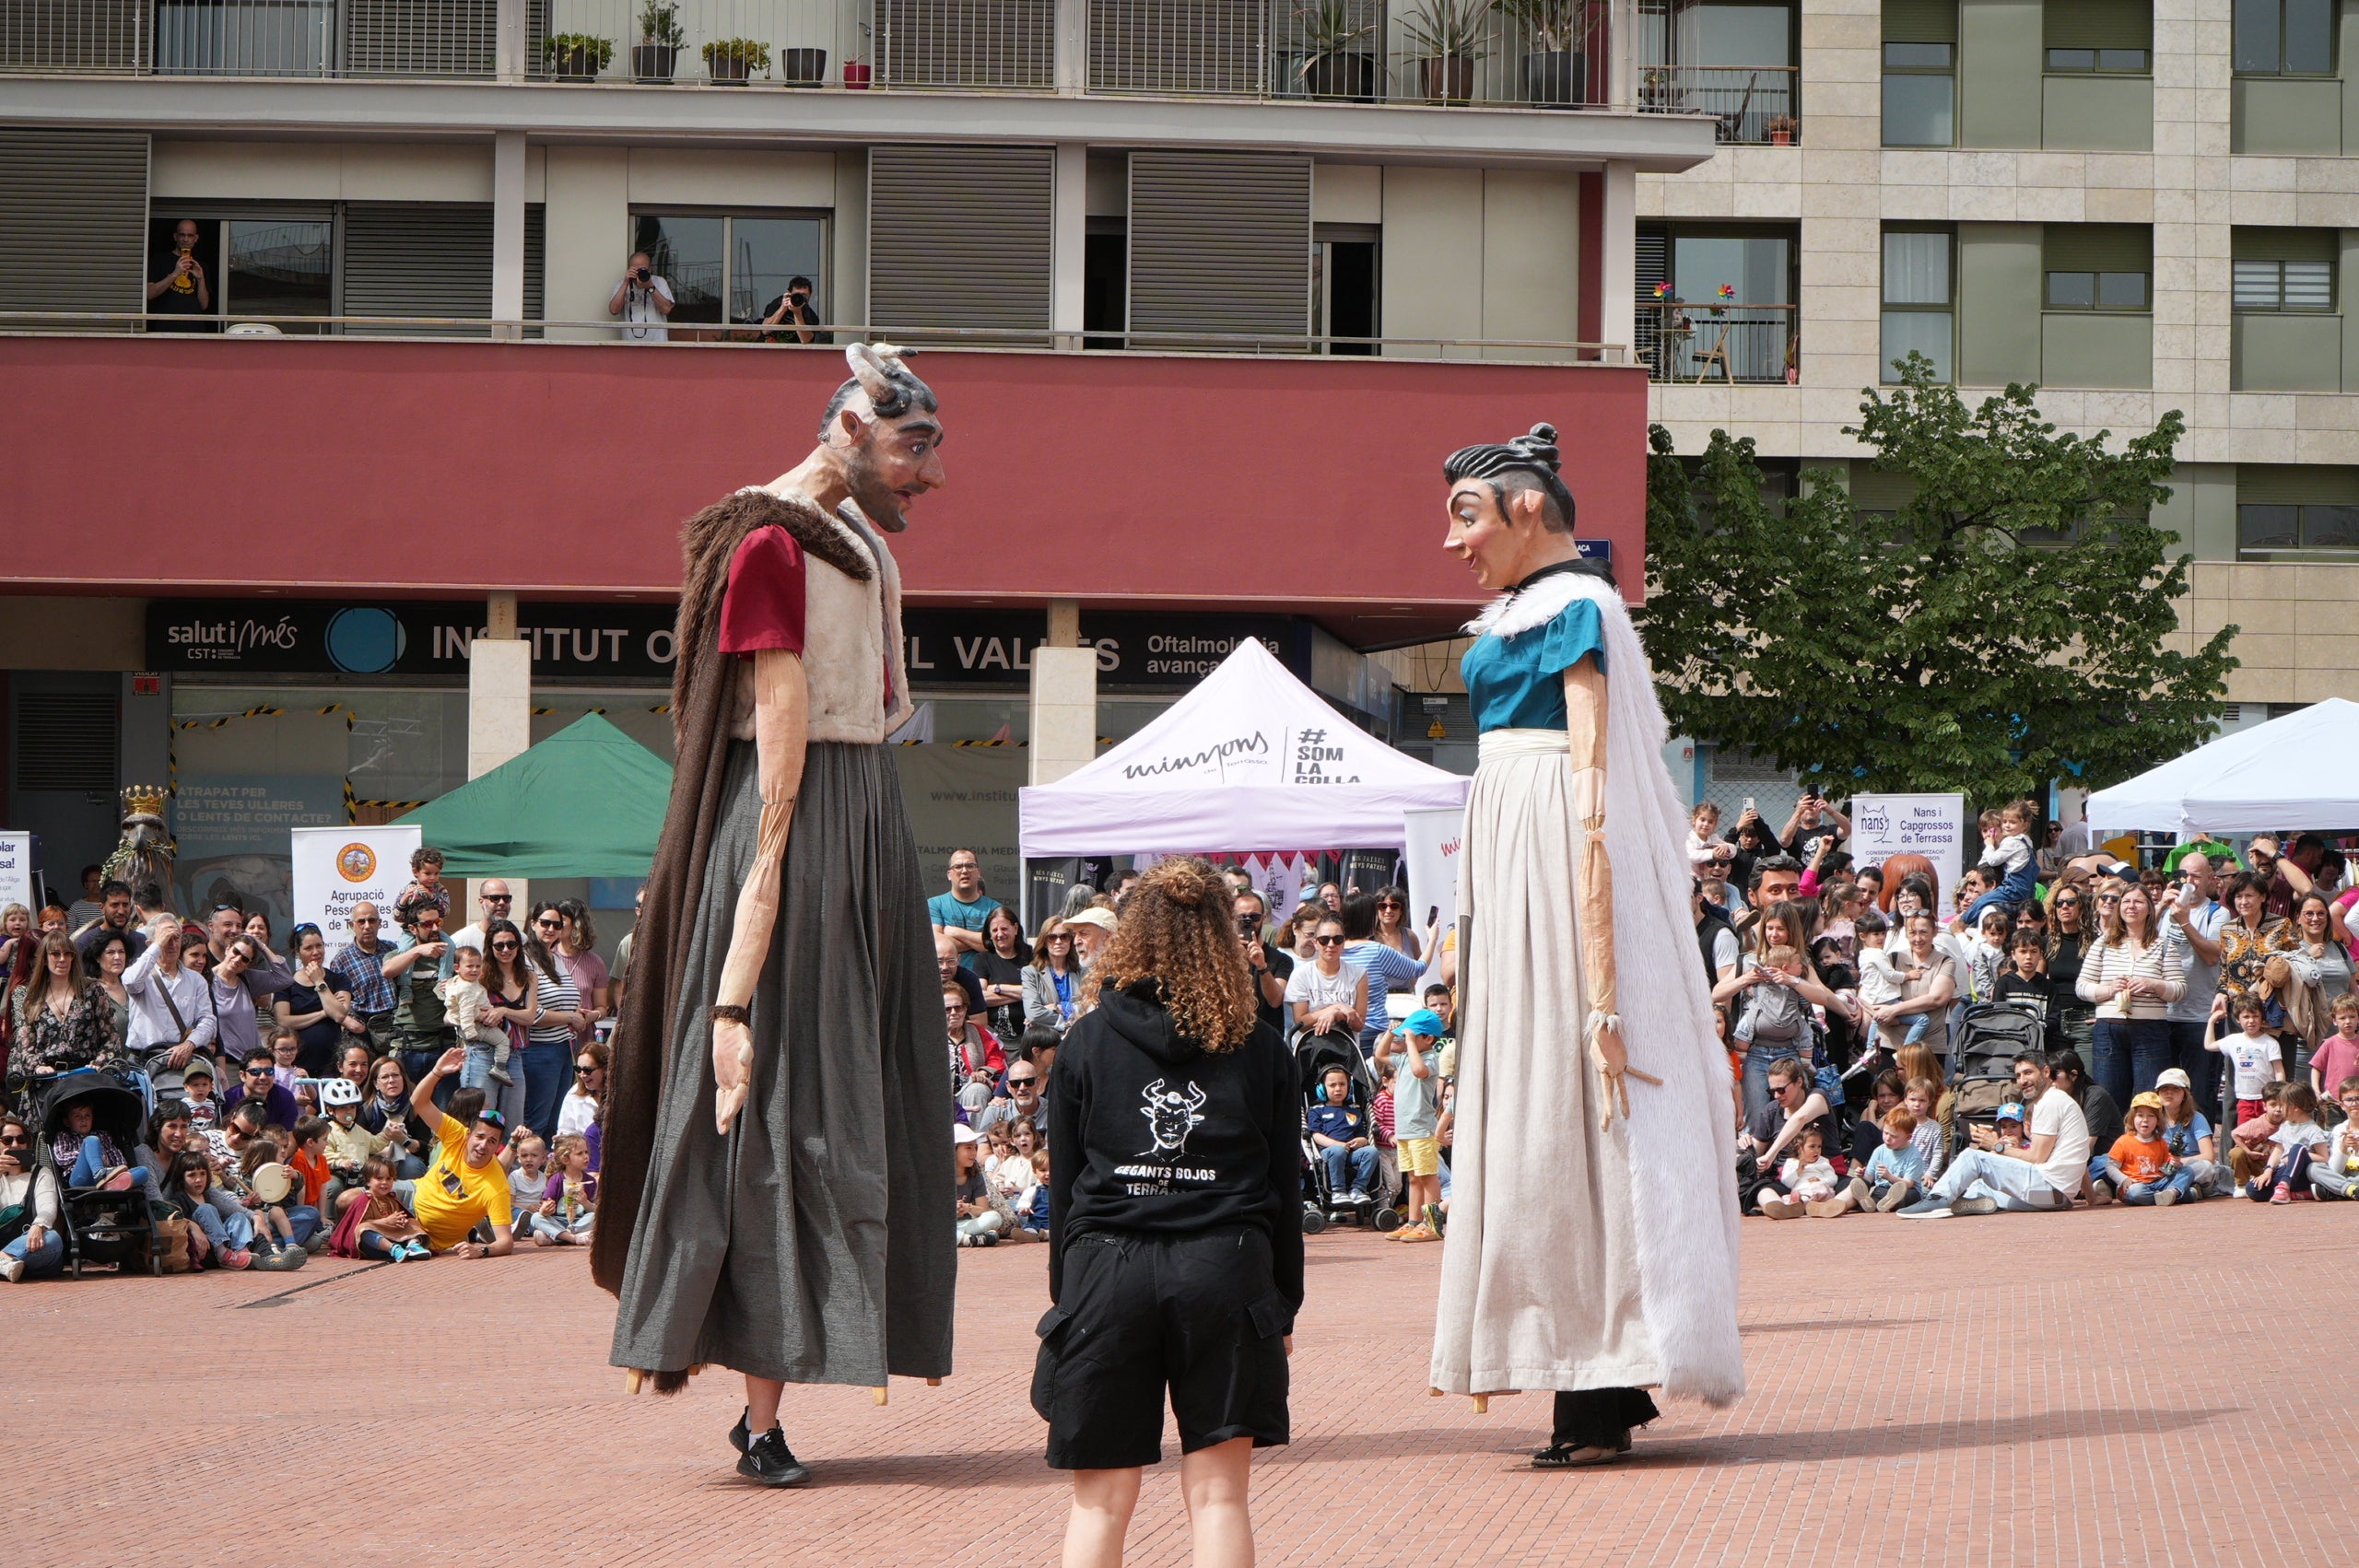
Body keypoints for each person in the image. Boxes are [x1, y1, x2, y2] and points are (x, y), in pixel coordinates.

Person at [597, 345, 955, 1491]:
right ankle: (758, 1409)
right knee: (782, 1110)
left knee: (846, 1098)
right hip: (801, 835)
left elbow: (871, 714)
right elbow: (780, 757)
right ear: (850, 429)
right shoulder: (772, 542)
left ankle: (769, 1399)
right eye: (915, 448)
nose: (930, 475)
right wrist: (734, 989)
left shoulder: (843, 542)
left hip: (862, 821)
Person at [1430, 424, 1743, 1468]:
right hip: (1516, 851)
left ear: (1526, 509)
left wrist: (1604, 971)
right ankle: (1591, 1375)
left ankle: (1600, 1376)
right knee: (1535, 1117)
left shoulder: (1576, 606)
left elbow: (1595, 787)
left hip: (1555, 858)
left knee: (1573, 1118)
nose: (1450, 541)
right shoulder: (1532, 606)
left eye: (1465, 515)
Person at [1033, 859, 1297, 1567]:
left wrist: (1070, 1294)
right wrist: (1284, 1304)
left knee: (1100, 1500)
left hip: (1107, 1268)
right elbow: (1284, 1191)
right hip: (1226, 1265)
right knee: (1219, 1498)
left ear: (1132, 938)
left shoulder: (1086, 1042)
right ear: (1223, 938)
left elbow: (1065, 1189)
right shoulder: (1260, 1047)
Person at [1898, 1051, 2090, 1217]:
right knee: (1980, 1186)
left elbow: (2037, 1157)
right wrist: (2092, 1197)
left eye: (2028, 1072)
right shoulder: (2056, 1100)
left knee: (1972, 1157)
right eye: (2018, 1075)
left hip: (2047, 1190)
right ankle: (1970, 1199)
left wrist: (1996, 1146)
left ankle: (1937, 1199)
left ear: (2046, 1072)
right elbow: (2079, 1154)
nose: (2023, 1080)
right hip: (2057, 1198)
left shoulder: (2051, 1102)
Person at [401, 1047, 516, 1256]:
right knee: (350, 1199)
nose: (483, 1145)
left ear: (497, 1146)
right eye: (480, 1137)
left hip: (430, 1234)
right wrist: (438, 1071)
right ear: (468, 1135)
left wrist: (481, 1251)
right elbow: (418, 1102)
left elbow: (506, 1242)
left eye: (492, 1141)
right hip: (412, 1195)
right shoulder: (456, 1134)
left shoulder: (496, 1186)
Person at [2078, 883, 2180, 1108]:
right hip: (2109, 1030)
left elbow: (2179, 990)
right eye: (2126, 901)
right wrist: (2109, 989)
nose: (2131, 906)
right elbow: (2082, 987)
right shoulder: (2103, 944)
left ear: (2149, 909)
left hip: (2150, 1031)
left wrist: (2153, 984)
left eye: (2138, 901)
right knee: (2109, 1100)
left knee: (2149, 1101)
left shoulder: (2163, 946)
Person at [519, 905, 592, 1141]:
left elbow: (562, 999)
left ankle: (550, 1175)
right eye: (545, 923)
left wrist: (577, 1013)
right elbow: (531, 1012)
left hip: (563, 1048)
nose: (551, 929)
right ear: (532, 924)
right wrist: (570, 1017)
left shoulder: (555, 957)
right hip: (538, 1051)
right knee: (536, 1122)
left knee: (556, 1122)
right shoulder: (525, 959)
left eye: (557, 925)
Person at [123, 913, 216, 1096]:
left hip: (182, 1060)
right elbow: (131, 982)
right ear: (151, 944)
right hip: (144, 1059)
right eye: (166, 939)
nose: (172, 944)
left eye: (176, 938)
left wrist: (190, 1044)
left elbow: (208, 1020)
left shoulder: (196, 980)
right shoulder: (142, 973)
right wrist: (157, 946)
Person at [12, 931, 126, 1079]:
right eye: (55, 954)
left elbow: (111, 1036)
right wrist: (37, 1066)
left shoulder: (92, 990)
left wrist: (99, 1063)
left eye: (67, 954)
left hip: (87, 1076)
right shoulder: (33, 996)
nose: (62, 959)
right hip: (47, 1079)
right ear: (45, 959)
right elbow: (25, 1043)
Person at [1377, 1010, 1447, 1240]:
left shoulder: (1429, 1059)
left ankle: (1432, 1225)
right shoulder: (1405, 1058)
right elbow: (1380, 1054)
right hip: (1405, 1130)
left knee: (1428, 1177)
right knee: (1413, 1177)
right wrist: (1391, 1033)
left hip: (1422, 1130)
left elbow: (1419, 1071)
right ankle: (1414, 1221)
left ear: (1428, 1039)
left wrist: (1408, 1042)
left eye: (1413, 1035)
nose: (1405, 1040)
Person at [270, 923, 355, 1079]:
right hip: (298, 1066)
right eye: (308, 948)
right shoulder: (287, 985)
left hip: (332, 1064)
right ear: (298, 952)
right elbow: (283, 1021)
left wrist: (319, 982)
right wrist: (324, 1012)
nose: (316, 952)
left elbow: (339, 1015)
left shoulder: (339, 979)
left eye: (319, 946)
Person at [439, 942, 513, 1090]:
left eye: (478, 966)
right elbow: (466, 1013)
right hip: (475, 1028)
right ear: (457, 968)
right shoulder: (467, 989)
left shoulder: (461, 983)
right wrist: (470, 1032)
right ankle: (499, 1067)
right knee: (503, 1041)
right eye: (470, 966)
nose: (474, 970)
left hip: (473, 1027)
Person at [2210, 991, 2289, 1127]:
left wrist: (2278, 1095)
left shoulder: (2270, 1043)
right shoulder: (2234, 1040)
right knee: (2247, 1135)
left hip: (2266, 1099)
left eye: (2255, 1016)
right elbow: (2209, 1045)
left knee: (2269, 1135)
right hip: (2245, 1099)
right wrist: (2211, 1021)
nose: (2251, 1021)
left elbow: (2279, 1071)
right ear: (2237, 1019)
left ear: (2261, 1018)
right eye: (2246, 1017)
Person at [329, 903, 399, 1052]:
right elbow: (334, 1003)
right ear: (351, 925)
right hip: (363, 1032)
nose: (367, 926)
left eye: (372, 920)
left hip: (395, 1028)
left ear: (380, 923)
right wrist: (348, 1022)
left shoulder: (392, 949)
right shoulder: (341, 960)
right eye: (361, 921)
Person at [1306, 1063, 1378, 1204]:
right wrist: (1338, 1144)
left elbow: (1361, 1134)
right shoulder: (1317, 1111)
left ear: (1349, 1087)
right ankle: (1338, 1191)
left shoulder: (1354, 1111)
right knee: (1338, 1150)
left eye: (1342, 1084)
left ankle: (1358, 1189)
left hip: (1351, 1153)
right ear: (1322, 1089)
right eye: (1332, 1085)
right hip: (1327, 1153)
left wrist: (1362, 1141)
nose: (1338, 1088)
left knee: (1372, 1151)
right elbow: (1315, 1135)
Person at [2249, 1081, 2329, 1202]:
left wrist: (2296, 1155)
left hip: (2303, 1174)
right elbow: (2278, 1150)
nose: (2280, 1109)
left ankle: (2285, 1187)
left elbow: (2324, 1158)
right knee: (2253, 1189)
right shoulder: (2286, 1125)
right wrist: (2268, 1170)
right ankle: (2300, 1194)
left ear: (2295, 1108)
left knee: (2297, 1148)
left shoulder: (2313, 1129)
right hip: (2284, 1170)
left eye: (2282, 1105)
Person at [2109, 1092, 2194, 1206]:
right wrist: (2123, 1180)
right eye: (2140, 1115)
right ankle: (2178, 1195)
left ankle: (2172, 1192)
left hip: (2159, 1182)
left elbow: (2166, 1170)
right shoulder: (2124, 1141)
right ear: (2132, 1118)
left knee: (2187, 1171)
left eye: (2151, 1116)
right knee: (2136, 1192)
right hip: (2135, 1184)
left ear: (2158, 1120)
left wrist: (2175, 1163)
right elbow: (2110, 1166)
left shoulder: (2161, 1142)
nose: (2145, 1120)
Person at [2152, 1067, 2221, 1199]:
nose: (2169, 1093)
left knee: (2205, 1167)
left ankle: (2172, 1187)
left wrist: (2179, 1162)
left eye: (2175, 1089)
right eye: (2164, 1089)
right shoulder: (2153, 1118)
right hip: (2162, 1167)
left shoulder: (2197, 1118)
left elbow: (2209, 1155)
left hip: (2189, 1165)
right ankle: (2187, 1190)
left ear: (2185, 1094)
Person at [1236, 890, 1294, 1038]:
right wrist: (1233, 956)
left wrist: (1262, 966)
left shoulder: (1281, 960)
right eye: (1242, 918)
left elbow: (1275, 1001)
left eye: (1254, 917)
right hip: (1233, 1037)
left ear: (1264, 918)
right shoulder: (1222, 956)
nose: (1248, 922)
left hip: (1267, 1040)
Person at [1851, 1106, 1929, 1212]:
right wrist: (1861, 1175)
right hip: (1883, 1189)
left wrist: (1889, 1177)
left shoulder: (1914, 1155)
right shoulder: (1880, 1150)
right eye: (1885, 1133)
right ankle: (1872, 1202)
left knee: (1910, 1196)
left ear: (1908, 1137)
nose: (1887, 1139)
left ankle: (1886, 1203)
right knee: (1877, 1192)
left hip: (1907, 1190)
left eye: (1894, 1136)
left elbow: (1909, 1183)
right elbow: (1869, 1178)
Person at [973, 905, 1033, 1044]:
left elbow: (1040, 994)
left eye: (1004, 928)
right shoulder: (983, 959)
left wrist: (998, 988)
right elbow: (981, 998)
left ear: (1016, 929)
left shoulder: (1031, 956)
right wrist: (1024, 995)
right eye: (994, 930)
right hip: (995, 1038)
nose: (999, 934)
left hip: (1028, 1036)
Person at [930, 848, 1000, 965]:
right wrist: (980, 942)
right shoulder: (935, 904)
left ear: (978, 872)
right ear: (949, 875)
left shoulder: (994, 908)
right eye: (958, 866)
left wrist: (954, 932)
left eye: (970, 866)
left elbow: (997, 943)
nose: (964, 871)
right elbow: (935, 943)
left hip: (983, 979)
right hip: (947, 978)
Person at [146, 218, 214, 330]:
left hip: (195, 329)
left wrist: (201, 279)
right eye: (182, 235)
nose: (186, 239)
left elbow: (204, 305)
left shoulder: (200, 266)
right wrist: (175, 273)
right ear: (175, 236)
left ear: (196, 238)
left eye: (190, 235)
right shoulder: (159, 260)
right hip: (165, 329)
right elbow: (150, 294)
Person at [532, 1132, 599, 1245]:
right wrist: (545, 1210)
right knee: (536, 1217)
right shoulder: (556, 1179)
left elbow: (594, 1210)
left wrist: (585, 1203)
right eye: (580, 1153)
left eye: (586, 1152)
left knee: (593, 1216)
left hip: (579, 1222)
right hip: (559, 1220)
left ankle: (558, 1236)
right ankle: (573, 1238)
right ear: (566, 1159)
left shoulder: (590, 1181)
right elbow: (545, 1206)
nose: (586, 1156)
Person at [1024, 916, 1086, 1036]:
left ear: (1071, 941)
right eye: (1052, 937)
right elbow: (1033, 1013)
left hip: (1076, 1038)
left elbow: (1087, 1007)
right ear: (1044, 942)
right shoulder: (1030, 972)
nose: (1058, 942)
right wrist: (1066, 1023)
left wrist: (1057, 1007)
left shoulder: (1082, 971)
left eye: (1064, 937)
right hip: (1043, 1041)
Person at [952, 1124, 1005, 1246]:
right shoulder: (939, 1176)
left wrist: (968, 1208)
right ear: (953, 1149)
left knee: (994, 1217)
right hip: (944, 1226)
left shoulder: (975, 1173)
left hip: (967, 1223)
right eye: (968, 1148)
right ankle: (969, 1239)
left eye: (975, 1147)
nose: (974, 1153)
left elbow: (983, 1209)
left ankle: (963, 1238)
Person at [2309, 1078, 2359, 1199]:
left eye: (2358, 1099)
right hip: (2344, 1175)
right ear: (2341, 1105)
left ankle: (2333, 1191)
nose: (2354, 1104)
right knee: (2313, 1168)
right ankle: (2349, 1189)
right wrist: (2343, 1148)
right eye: (2349, 1100)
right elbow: (2335, 1170)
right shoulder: (2339, 1129)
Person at [608, 252, 674, 342]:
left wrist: (650, 287)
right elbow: (614, 310)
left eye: (643, 269)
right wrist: (626, 283)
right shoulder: (622, 284)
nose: (639, 273)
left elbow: (666, 309)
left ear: (650, 269)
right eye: (636, 270)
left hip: (657, 343)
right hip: (630, 345)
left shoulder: (659, 282)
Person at [446, 878, 515, 956]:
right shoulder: (460, 941)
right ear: (481, 902)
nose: (502, 903)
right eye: (495, 898)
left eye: (506, 898)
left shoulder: (520, 939)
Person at [760, 275, 828, 344]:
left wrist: (797, 313)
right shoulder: (779, 303)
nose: (799, 298)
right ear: (789, 293)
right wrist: (782, 308)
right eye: (796, 295)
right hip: (772, 349)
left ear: (810, 295)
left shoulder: (811, 315)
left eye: (803, 295)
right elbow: (765, 330)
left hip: (794, 352)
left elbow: (805, 340)